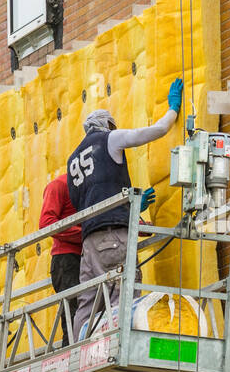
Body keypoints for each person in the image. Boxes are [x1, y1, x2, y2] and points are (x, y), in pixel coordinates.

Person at [67, 77, 183, 340]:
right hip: (113, 236)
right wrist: (173, 110)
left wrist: (126, 209)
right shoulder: (109, 138)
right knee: (124, 291)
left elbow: (79, 202)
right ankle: (122, 344)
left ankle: (79, 351)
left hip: (89, 242)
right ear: (106, 124)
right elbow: (154, 131)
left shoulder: (72, 160)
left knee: (88, 303)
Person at [40, 171, 82, 343]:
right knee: (73, 313)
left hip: (90, 254)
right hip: (67, 258)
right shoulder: (60, 185)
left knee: (88, 310)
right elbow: (47, 223)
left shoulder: (91, 185)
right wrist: (85, 234)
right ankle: (72, 355)